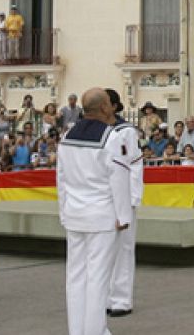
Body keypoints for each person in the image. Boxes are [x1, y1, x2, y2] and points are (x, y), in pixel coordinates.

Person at [57, 89, 133, 335]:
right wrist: (123, 216)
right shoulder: (112, 137)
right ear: (104, 108)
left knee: (76, 278)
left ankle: (77, 331)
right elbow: (119, 180)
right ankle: (94, 331)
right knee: (98, 280)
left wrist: (64, 211)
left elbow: (61, 179)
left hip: (75, 213)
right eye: (110, 104)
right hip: (101, 215)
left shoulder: (67, 135)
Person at [105, 89, 144, 318]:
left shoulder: (126, 131)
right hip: (102, 196)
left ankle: (121, 299)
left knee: (124, 248)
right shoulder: (98, 131)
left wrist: (131, 200)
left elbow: (135, 165)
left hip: (123, 196)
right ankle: (105, 296)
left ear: (114, 106)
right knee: (104, 249)